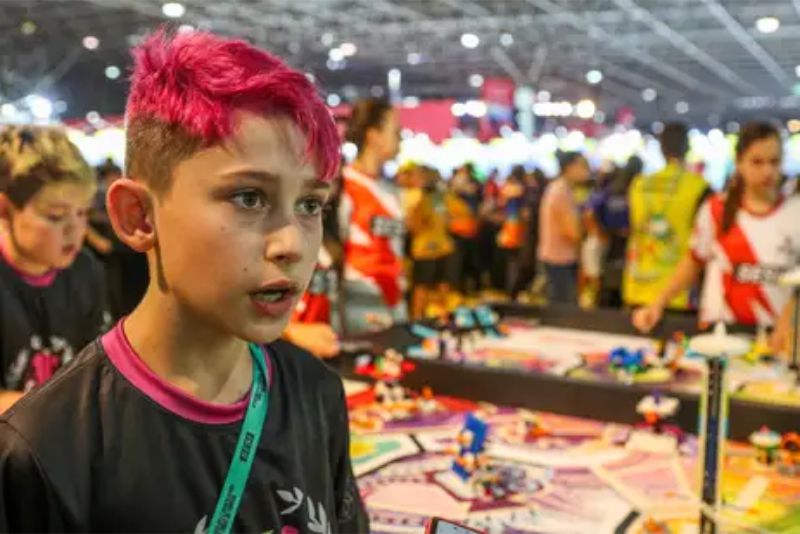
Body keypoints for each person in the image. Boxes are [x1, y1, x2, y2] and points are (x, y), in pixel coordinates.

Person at [0, 30, 367, 532]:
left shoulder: (317, 394)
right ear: (139, 216)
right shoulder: (45, 451)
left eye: (310, 204)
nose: (294, 244)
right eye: (249, 198)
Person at [633, 122, 798, 352]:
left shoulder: (795, 212)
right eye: (757, 162)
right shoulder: (716, 209)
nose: (767, 171)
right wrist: (658, 304)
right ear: (739, 162)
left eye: (774, 161)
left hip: (776, 341)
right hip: (719, 338)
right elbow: (692, 261)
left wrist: (791, 319)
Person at [0, 126, 107, 413]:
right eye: (55, 216)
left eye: (83, 212)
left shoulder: (85, 270)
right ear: (5, 210)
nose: (76, 230)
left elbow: (100, 369)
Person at [623, 123, 709, 311]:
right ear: (687, 148)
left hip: (638, 284)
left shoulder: (638, 184)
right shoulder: (699, 187)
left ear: (661, 148)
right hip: (678, 291)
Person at [340, 97, 405, 334]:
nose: (400, 138)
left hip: (395, 301)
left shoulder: (392, 191)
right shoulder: (343, 187)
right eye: (395, 131)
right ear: (373, 135)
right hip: (359, 304)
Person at [587, 156, 643, 307]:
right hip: (623, 243)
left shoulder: (610, 191)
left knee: (608, 282)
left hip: (612, 242)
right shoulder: (636, 190)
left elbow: (591, 211)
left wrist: (601, 232)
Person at [537, 152, 590, 304]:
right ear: (570, 167)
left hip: (555, 256)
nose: (586, 170)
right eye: (582, 165)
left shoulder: (558, 188)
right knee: (564, 310)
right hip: (560, 259)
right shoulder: (561, 192)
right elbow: (573, 233)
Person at [407, 167, 453, 319]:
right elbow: (449, 220)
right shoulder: (442, 199)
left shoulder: (421, 199)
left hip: (425, 248)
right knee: (442, 284)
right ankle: (442, 317)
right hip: (443, 246)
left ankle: (418, 318)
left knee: (421, 286)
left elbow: (415, 225)